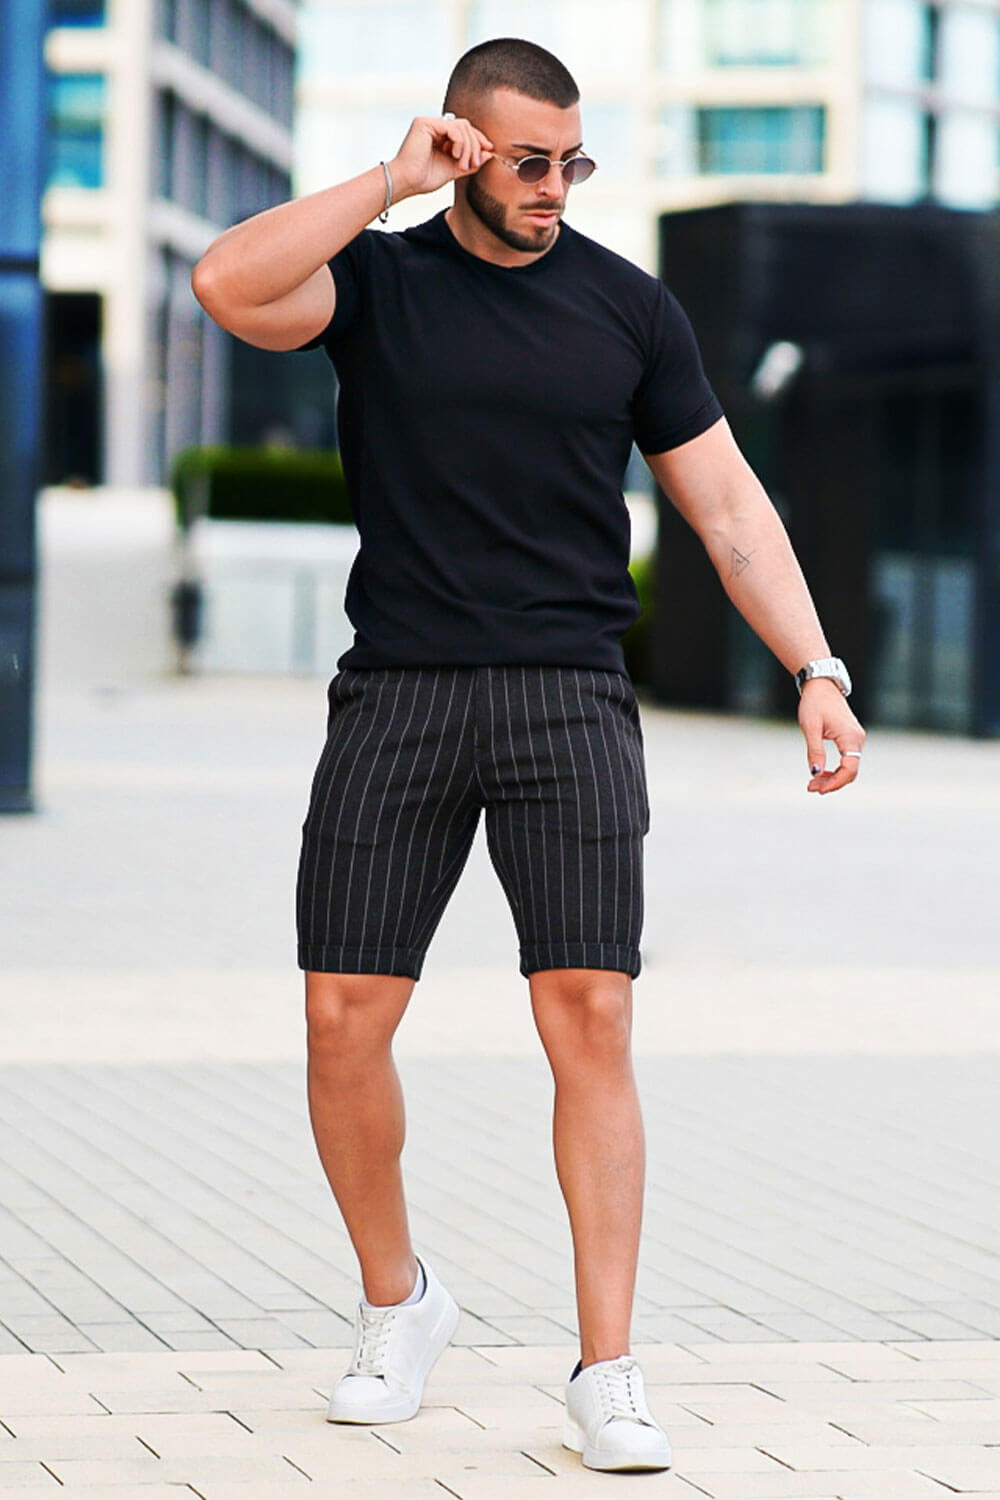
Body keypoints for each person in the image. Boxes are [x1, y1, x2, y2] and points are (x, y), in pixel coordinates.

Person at [191, 36, 866, 1475]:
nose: (558, 186)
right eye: (530, 161)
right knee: (341, 1021)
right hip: (399, 694)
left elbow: (728, 508)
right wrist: (387, 182)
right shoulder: (376, 283)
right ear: (463, 149)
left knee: (592, 1019)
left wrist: (816, 667)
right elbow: (226, 284)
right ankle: (399, 1304)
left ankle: (606, 1369)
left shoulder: (629, 309)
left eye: (575, 161)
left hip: (571, 697)